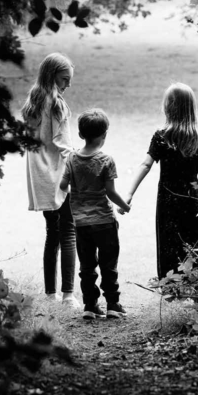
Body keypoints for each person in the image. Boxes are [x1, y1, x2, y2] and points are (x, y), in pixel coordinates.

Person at [126, 83, 198, 280]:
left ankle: (169, 282)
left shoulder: (162, 135)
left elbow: (146, 165)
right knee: (191, 240)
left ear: (169, 106)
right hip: (191, 200)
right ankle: (192, 280)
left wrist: (129, 193)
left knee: (168, 241)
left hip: (168, 199)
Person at [60, 108, 131, 319]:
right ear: (104, 135)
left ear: (81, 135)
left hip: (81, 224)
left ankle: (90, 306)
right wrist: (125, 206)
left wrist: (79, 192)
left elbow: (63, 185)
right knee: (108, 264)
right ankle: (112, 304)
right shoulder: (106, 160)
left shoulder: (72, 158)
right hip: (104, 222)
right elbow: (110, 192)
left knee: (87, 266)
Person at [21, 52, 79, 307]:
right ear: (52, 75)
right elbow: (64, 145)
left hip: (39, 177)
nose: (67, 85)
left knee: (51, 234)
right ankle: (67, 294)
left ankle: (50, 293)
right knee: (68, 232)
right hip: (59, 174)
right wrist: (80, 169)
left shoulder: (32, 102)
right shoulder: (57, 104)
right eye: (65, 79)